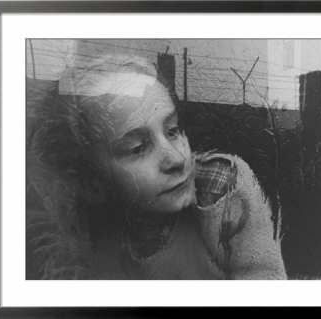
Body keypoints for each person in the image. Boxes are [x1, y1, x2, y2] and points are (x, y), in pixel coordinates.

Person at [27, 54, 287, 280]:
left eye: (173, 131)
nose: (176, 159)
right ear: (92, 185)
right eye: (138, 148)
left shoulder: (220, 187)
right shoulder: (100, 237)